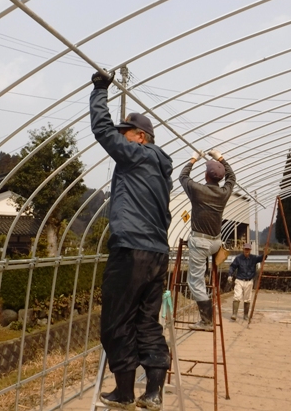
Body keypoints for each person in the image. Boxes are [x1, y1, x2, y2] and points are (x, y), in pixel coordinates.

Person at [90, 70, 173, 411]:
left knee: (115, 321)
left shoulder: (136, 155)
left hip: (131, 251)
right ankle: (152, 392)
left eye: (127, 134)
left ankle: (125, 391)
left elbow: (102, 130)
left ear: (141, 137)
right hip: (157, 254)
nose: (121, 140)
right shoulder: (161, 168)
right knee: (146, 322)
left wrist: (99, 90)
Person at [179, 148, 236, 331]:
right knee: (200, 274)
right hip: (216, 243)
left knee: (194, 281)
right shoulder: (223, 193)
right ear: (219, 178)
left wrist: (193, 159)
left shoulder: (197, 190)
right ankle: (206, 282)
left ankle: (206, 321)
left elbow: (183, 176)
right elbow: (232, 177)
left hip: (201, 242)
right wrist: (220, 158)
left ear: (206, 176)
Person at [228, 243, 265, 321]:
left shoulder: (253, 258)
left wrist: (266, 253)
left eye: (248, 249)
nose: (246, 251)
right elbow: (232, 266)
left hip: (249, 281)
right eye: (245, 249)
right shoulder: (238, 258)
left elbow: (262, 258)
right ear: (243, 249)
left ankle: (245, 315)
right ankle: (234, 314)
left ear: (250, 250)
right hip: (239, 280)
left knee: (247, 299)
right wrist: (230, 275)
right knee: (237, 296)